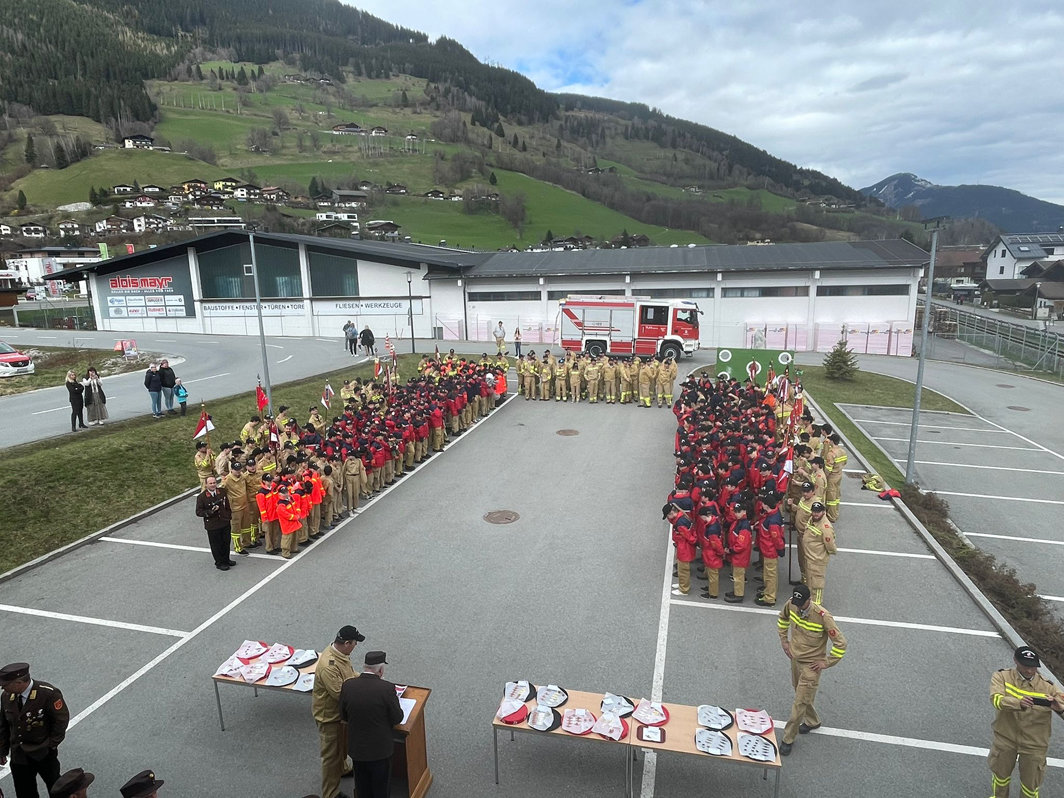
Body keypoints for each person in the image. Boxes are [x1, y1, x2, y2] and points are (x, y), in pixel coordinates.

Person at [776, 584, 847, 755]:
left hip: (811, 666)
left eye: (802, 603)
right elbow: (782, 618)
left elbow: (841, 643)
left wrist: (827, 662)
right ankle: (813, 721)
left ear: (810, 599)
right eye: (797, 603)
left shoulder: (823, 616)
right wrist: (784, 641)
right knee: (799, 692)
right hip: (795, 659)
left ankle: (788, 738)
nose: (799, 607)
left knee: (799, 702)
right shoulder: (791, 604)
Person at [988, 646, 1064, 798]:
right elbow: (996, 699)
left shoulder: (1048, 687)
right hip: (1006, 737)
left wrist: (1059, 708)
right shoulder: (1001, 677)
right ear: (1015, 661)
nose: (1029, 670)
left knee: (1030, 786)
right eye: (1025, 666)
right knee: (1000, 777)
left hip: (1034, 744)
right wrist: (1018, 703)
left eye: (1033, 667)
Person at [0, 662, 70, 798]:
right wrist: (2, 750)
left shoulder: (48, 694)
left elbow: (61, 721)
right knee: (24, 792)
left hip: (43, 753)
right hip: (19, 756)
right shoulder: (7, 697)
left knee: (56, 789)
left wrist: (51, 744)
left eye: (6, 685)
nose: (3, 688)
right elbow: (3, 725)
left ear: (19, 683)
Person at [339, 651, 404, 798]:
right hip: (380, 751)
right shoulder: (386, 688)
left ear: (365, 667)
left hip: (357, 749)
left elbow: (343, 715)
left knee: (362, 788)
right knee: (381, 790)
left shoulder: (348, 686)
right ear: (380, 670)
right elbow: (397, 718)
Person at [313, 625, 366, 798]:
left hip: (339, 715)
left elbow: (349, 675)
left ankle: (342, 769)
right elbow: (339, 694)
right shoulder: (329, 666)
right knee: (331, 757)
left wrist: (365, 679)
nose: (356, 646)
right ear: (347, 643)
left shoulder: (340, 654)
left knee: (341, 746)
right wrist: (365, 696)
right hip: (329, 717)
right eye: (355, 643)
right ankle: (331, 793)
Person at [195, 476, 235, 571]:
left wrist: (228, 515)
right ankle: (219, 562)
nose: (213, 485)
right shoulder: (202, 497)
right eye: (210, 483)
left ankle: (226, 559)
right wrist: (210, 512)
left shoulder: (222, 492)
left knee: (226, 542)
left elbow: (227, 504)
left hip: (224, 521)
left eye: (214, 483)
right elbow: (199, 512)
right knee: (216, 545)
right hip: (213, 525)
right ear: (206, 484)